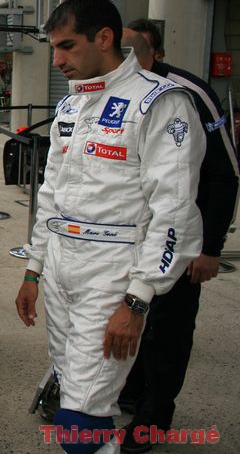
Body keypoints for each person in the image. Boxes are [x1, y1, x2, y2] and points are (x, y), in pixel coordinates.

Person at [14, 0, 206, 454]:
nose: (57, 60)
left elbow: (175, 210)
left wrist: (137, 302)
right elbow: (49, 196)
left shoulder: (160, 103)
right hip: (60, 268)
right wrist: (32, 270)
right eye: (53, 49)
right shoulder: (70, 107)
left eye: (67, 47)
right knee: (77, 400)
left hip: (113, 275)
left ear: (104, 38)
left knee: (81, 421)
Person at [117, 28, 239, 452]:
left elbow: (226, 173)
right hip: (133, 241)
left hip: (184, 242)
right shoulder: (113, 95)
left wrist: (210, 248)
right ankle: (132, 393)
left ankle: (155, 416)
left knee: (166, 333)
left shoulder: (187, 93)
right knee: (134, 321)